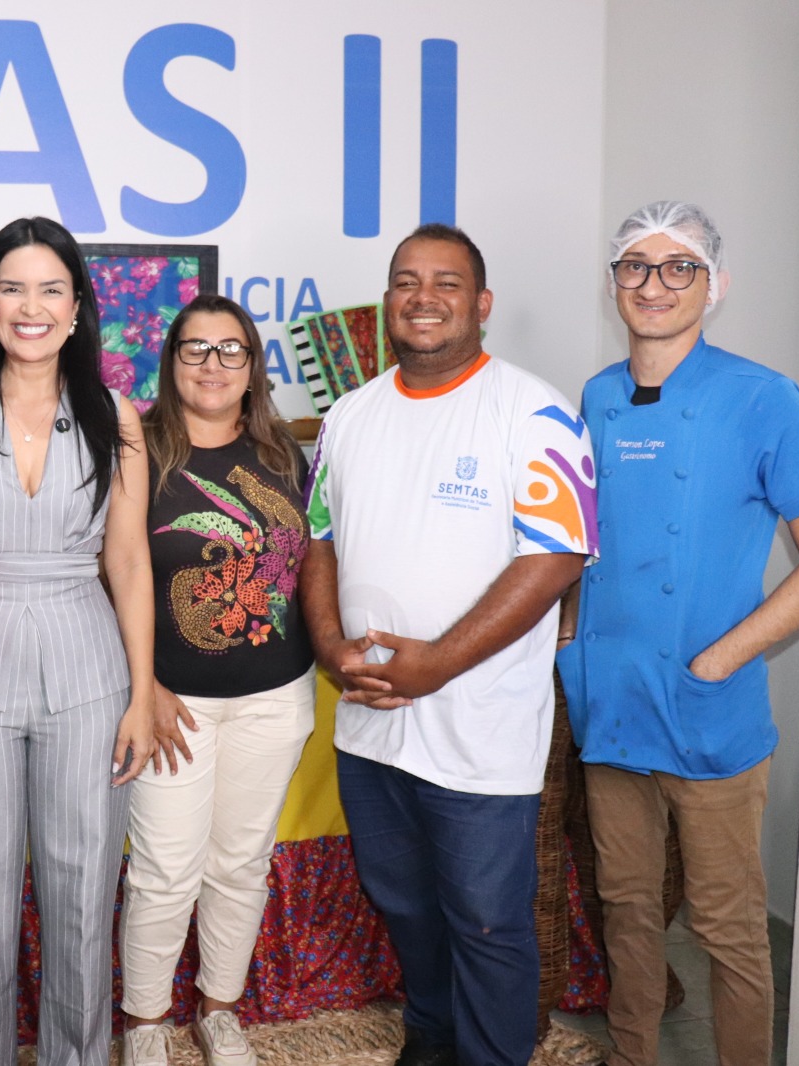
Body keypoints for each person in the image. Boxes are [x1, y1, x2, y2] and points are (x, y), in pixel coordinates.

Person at [557, 201, 799, 1066]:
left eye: (677, 266)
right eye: (635, 267)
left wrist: (724, 656)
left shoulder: (762, 397)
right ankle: (631, 1053)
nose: (654, 285)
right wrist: (572, 637)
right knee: (626, 907)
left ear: (713, 285)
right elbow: (589, 542)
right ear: (614, 282)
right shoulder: (599, 396)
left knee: (729, 927)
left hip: (708, 708)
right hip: (611, 699)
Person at [301, 224, 598, 1066]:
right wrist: (328, 643)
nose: (422, 297)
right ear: (387, 300)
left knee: (486, 918)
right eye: (405, 280)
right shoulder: (351, 415)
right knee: (404, 904)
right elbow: (319, 539)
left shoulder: (534, 411)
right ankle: (429, 1040)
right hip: (370, 724)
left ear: (482, 305)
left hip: (477, 733)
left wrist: (436, 664)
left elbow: (556, 556)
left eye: (446, 282)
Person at [0, 216, 156, 1066]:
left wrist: (143, 690)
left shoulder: (115, 414)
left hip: (87, 663)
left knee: (84, 891)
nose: (32, 306)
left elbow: (127, 561)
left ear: (79, 306)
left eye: (51, 288)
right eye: (13, 288)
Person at [119, 294, 318, 1066]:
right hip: (174, 702)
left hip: (274, 698)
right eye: (194, 349)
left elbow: (308, 570)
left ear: (253, 365)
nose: (212, 365)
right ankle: (145, 1023)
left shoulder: (284, 457)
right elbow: (113, 574)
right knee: (167, 870)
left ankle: (220, 1010)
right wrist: (143, 686)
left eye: (229, 349)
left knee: (241, 862)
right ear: (171, 364)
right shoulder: (136, 449)